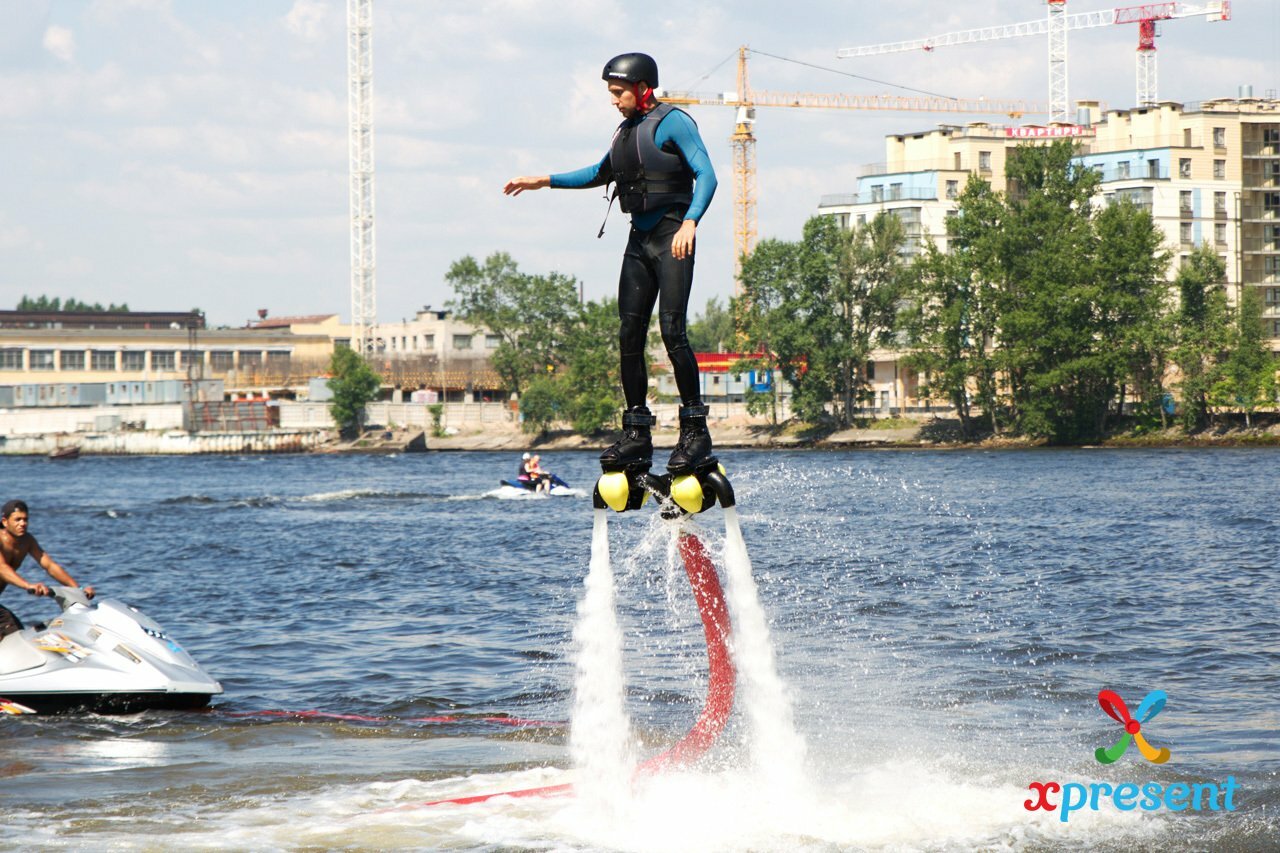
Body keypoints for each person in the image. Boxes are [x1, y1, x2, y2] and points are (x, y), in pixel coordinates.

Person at [504, 52, 719, 476]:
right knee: (628, 335)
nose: (612, 99)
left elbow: (707, 174)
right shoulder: (624, 132)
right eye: (610, 92)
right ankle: (637, 432)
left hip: (674, 236)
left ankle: (695, 432)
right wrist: (542, 180)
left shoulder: (674, 122)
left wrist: (691, 222)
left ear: (642, 89)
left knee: (672, 331)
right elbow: (598, 173)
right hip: (639, 242)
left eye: (617, 91)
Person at [0, 499, 94, 638]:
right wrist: (28, 585)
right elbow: (2, 568)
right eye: (17, 520)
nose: (23, 524)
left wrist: (78, 590)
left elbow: (49, 565)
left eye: (25, 519)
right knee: (14, 637)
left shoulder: (27, 541)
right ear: (5, 521)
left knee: (16, 636)